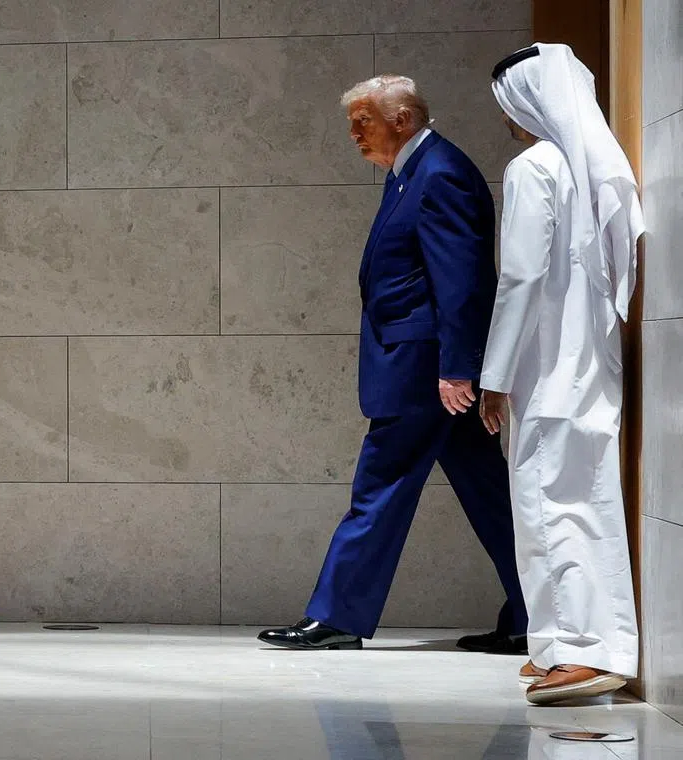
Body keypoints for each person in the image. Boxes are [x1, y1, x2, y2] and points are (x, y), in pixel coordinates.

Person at [258, 76, 527, 652]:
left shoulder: (440, 173)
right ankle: (534, 613)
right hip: (425, 367)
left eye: (363, 120)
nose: (354, 133)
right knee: (487, 492)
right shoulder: (411, 172)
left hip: (425, 371)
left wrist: (457, 367)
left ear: (402, 118)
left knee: (379, 485)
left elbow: (462, 281)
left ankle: (338, 615)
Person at [479, 43, 642, 705]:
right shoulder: (588, 166)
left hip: (548, 367)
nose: (508, 119)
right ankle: (559, 643)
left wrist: (493, 374)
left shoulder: (535, 167)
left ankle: (585, 650)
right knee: (582, 499)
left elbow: (518, 277)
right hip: (589, 362)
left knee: (550, 504)